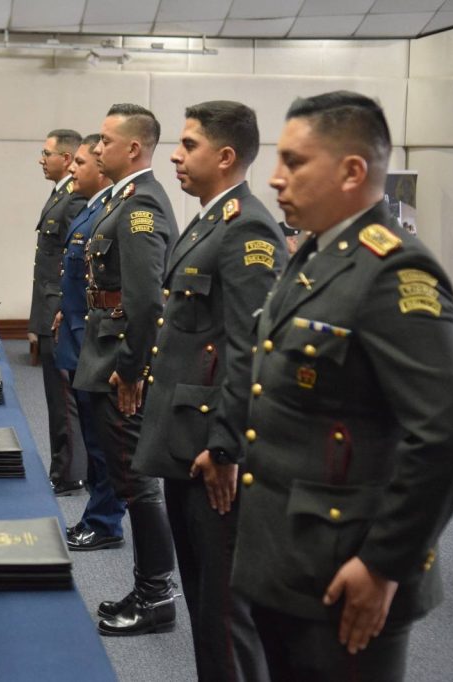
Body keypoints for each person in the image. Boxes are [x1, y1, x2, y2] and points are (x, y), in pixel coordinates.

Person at [231, 91, 453, 681]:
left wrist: (383, 564)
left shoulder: (394, 271)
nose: (275, 177)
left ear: (351, 171)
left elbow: (448, 438)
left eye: (294, 162)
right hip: (287, 556)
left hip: (345, 572)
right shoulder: (315, 254)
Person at [133, 100, 285, 681]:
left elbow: (252, 350)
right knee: (202, 601)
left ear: (225, 157)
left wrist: (226, 446)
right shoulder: (207, 221)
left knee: (223, 614)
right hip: (186, 440)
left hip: (213, 452)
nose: (175, 155)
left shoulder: (247, 228)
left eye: (189, 145)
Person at [72, 104, 180, 636]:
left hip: (121, 363)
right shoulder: (122, 199)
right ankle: (151, 589)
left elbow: (146, 300)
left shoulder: (142, 206)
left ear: (133, 149)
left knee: (138, 484)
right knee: (128, 478)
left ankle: (155, 593)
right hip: (107, 350)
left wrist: (133, 370)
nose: (97, 149)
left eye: (106, 141)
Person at [52, 133, 127, 552]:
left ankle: (105, 520)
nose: (73, 168)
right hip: (79, 332)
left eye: (81, 162)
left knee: (102, 442)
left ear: (101, 168)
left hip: (94, 339)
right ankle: (96, 515)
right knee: (91, 434)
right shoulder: (92, 209)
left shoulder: (111, 211)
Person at [30, 128, 88, 495]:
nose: (41, 159)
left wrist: (63, 311)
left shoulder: (74, 200)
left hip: (60, 311)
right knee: (56, 396)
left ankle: (69, 472)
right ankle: (65, 467)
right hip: (49, 307)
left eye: (46, 153)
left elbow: (74, 264)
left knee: (64, 398)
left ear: (65, 159)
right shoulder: (60, 196)